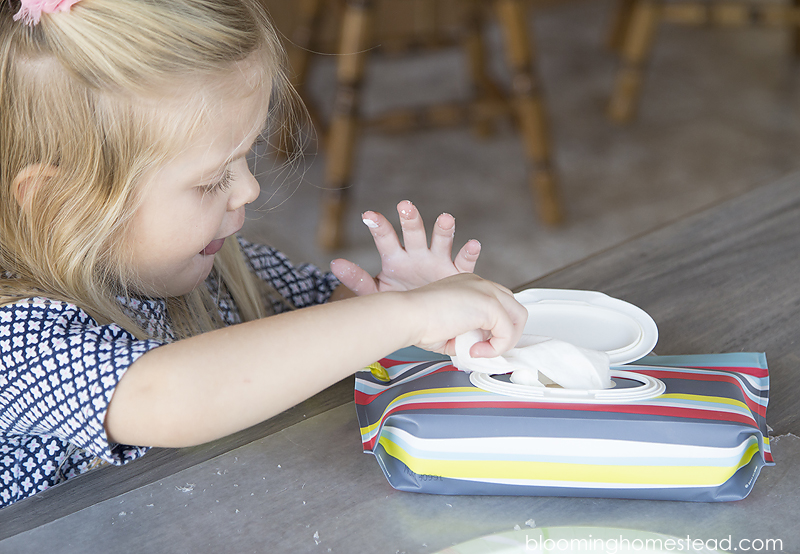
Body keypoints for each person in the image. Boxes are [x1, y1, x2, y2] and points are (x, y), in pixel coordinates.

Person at [0, 0, 527, 508]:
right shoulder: (17, 341)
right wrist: (406, 316)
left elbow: (323, 324)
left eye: (247, 155)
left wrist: (396, 302)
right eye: (210, 181)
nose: (249, 189)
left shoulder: (210, 264)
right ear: (59, 202)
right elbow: (171, 394)